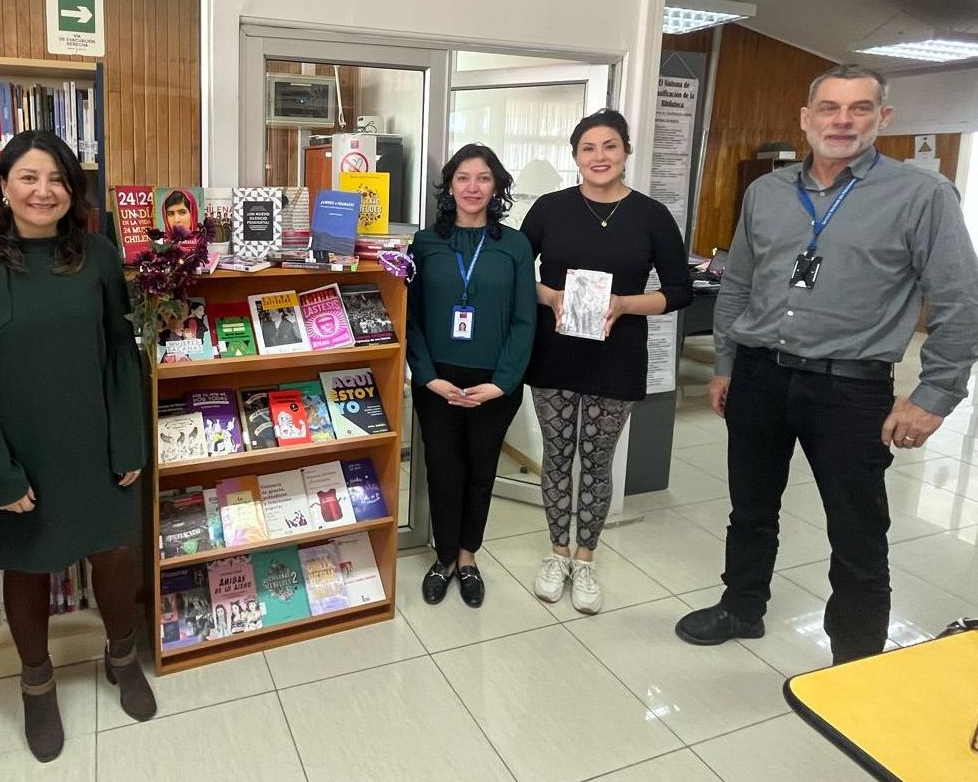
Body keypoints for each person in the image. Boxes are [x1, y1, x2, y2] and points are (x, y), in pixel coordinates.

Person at [675, 65, 978, 664]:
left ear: (882, 119)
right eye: (830, 108)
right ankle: (742, 606)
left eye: (859, 108)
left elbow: (960, 298)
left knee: (857, 530)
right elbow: (738, 286)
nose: (843, 120)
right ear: (806, 119)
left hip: (850, 388)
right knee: (751, 507)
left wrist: (934, 394)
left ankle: (854, 661)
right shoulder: (767, 191)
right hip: (760, 375)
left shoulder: (921, 195)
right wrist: (726, 364)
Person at [0, 130, 155, 764]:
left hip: (94, 438)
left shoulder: (100, 256)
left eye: (56, 179)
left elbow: (119, 351)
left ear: (71, 191)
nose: (43, 190)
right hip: (14, 449)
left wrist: (128, 439)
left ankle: (121, 655)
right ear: (2, 186)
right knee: (27, 565)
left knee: (113, 553)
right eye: (29, 177)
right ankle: (36, 681)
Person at [521, 109, 692, 614]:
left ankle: (586, 559)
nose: (600, 157)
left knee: (595, 461)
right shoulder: (550, 209)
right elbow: (511, 269)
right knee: (557, 456)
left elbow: (680, 289)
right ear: (574, 156)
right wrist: (547, 294)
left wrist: (625, 304)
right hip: (554, 351)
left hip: (616, 355)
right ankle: (556, 555)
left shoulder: (652, 215)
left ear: (625, 152)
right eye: (588, 148)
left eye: (610, 146)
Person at [407, 143, 537, 608]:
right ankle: (442, 558)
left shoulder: (516, 245)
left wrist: (503, 382)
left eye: (483, 178)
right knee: (444, 470)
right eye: (463, 177)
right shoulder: (424, 243)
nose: (472, 187)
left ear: (496, 186)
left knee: (482, 472)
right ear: (450, 186)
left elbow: (526, 320)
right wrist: (427, 377)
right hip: (438, 380)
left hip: (495, 382)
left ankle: (468, 557)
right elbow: (412, 318)